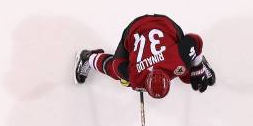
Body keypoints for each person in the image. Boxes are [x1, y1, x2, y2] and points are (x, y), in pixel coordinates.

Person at [74, 14, 215, 98]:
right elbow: (117, 67)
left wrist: (197, 65)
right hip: (136, 27)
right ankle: (88, 57)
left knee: (188, 74)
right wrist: (127, 78)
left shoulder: (175, 62)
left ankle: (197, 58)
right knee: (117, 72)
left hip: (165, 24)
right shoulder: (135, 76)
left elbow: (194, 40)